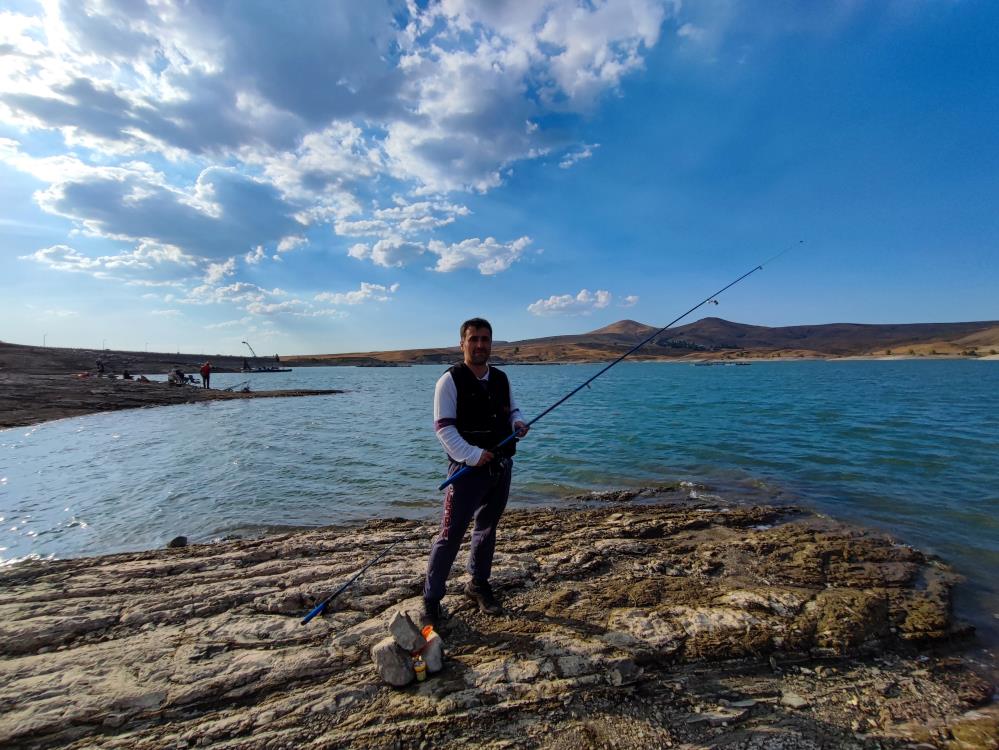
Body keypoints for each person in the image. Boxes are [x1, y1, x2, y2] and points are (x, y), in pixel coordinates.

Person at [422, 318, 529, 628]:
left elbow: (514, 410)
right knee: (449, 535)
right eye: (474, 339)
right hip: (465, 472)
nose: (480, 345)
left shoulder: (501, 378)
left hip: (501, 467)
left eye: (485, 339)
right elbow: (444, 428)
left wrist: (517, 425)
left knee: (487, 527)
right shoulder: (449, 381)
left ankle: (477, 583)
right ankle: (431, 600)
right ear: (462, 344)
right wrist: (471, 455)